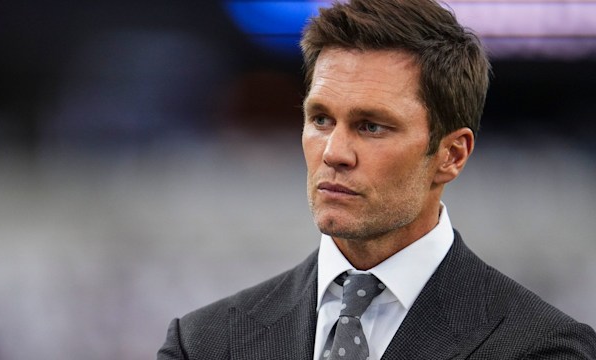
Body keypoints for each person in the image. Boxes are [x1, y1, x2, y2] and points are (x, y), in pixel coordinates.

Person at [157, 0, 596, 358]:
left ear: (451, 154)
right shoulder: (202, 344)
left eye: (371, 126)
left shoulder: (539, 348)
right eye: (321, 119)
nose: (334, 153)